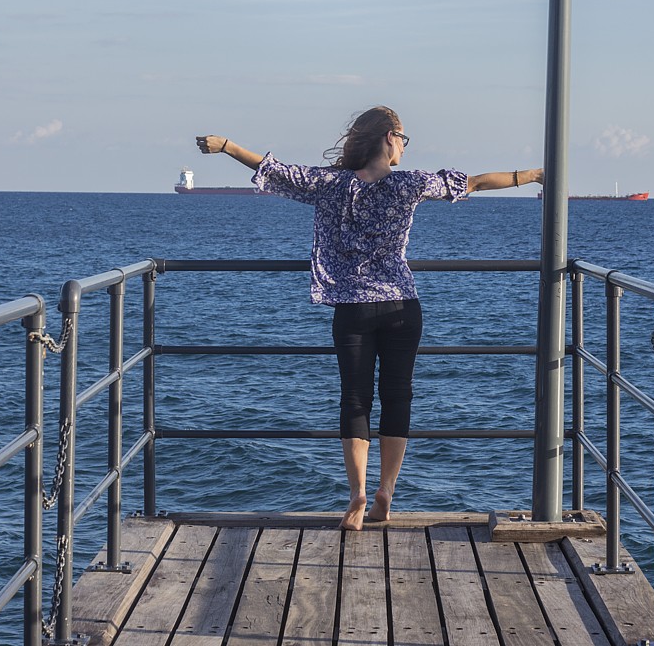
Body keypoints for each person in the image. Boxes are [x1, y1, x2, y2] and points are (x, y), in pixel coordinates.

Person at [195, 106, 543, 531]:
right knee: (398, 397)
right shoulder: (410, 184)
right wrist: (532, 175)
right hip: (401, 306)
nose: (404, 146)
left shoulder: (330, 184)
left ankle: (357, 494)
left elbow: (273, 169)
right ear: (388, 137)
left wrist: (225, 145)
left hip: (353, 309)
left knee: (355, 400)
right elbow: (474, 182)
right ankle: (386, 494)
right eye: (403, 138)